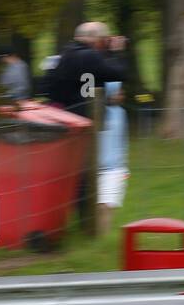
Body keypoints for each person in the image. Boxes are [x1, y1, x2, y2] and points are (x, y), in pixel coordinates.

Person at [46, 21, 128, 113]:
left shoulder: (67, 52)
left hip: (67, 111)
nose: (105, 44)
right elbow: (119, 74)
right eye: (104, 39)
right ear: (97, 39)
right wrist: (116, 52)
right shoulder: (89, 55)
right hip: (84, 114)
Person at [96, 82, 128, 239]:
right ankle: (99, 236)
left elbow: (123, 141)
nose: (121, 95)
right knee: (100, 206)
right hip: (97, 167)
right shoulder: (98, 112)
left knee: (108, 206)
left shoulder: (121, 113)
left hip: (115, 168)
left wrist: (124, 166)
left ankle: (103, 238)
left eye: (121, 92)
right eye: (118, 92)